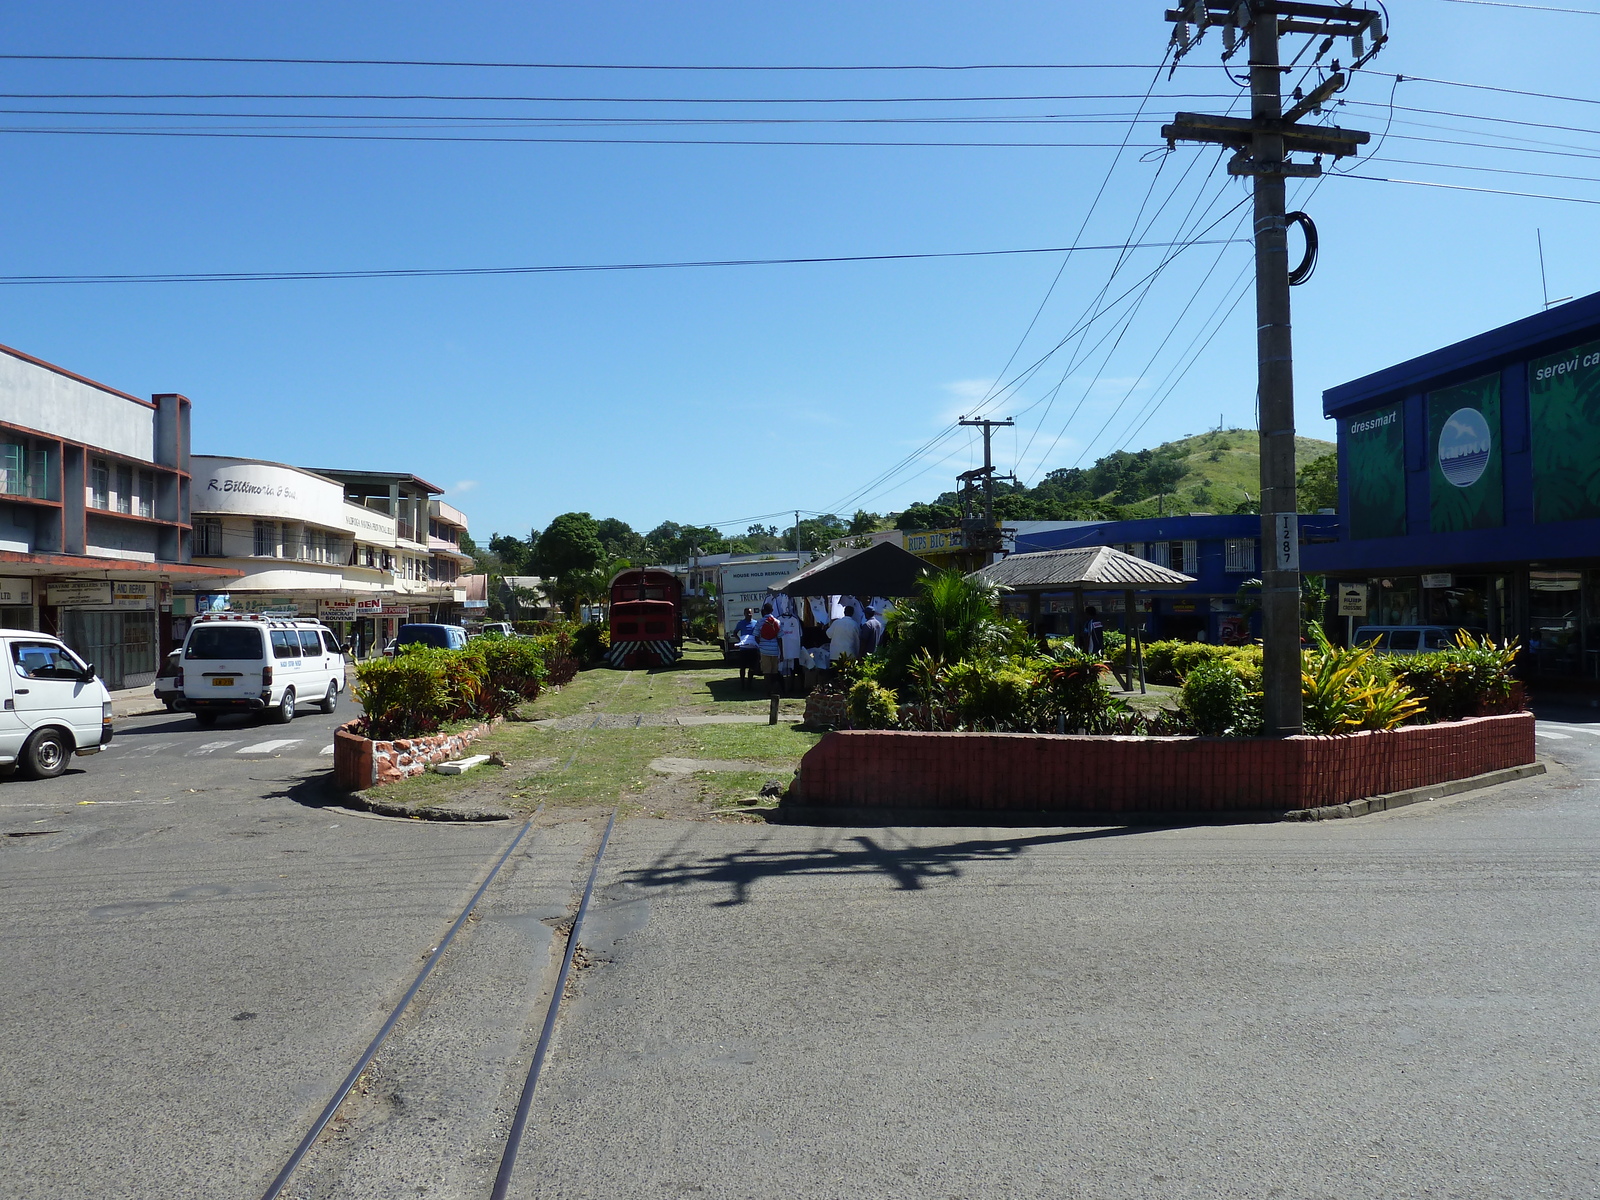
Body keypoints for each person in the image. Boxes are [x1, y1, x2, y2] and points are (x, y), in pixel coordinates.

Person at [756, 603, 783, 694]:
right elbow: (780, 638)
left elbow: (756, 636)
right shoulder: (777, 622)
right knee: (774, 672)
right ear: (772, 611)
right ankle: (775, 690)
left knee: (766, 672)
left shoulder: (760, 622)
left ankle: (768, 691)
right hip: (775, 650)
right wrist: (781, 652)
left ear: (764, 611)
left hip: (764, 650)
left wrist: (760, 645)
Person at [732, 607, 760, 690]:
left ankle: (749, 684)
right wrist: (741, 640)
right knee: (743, 667)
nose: (749, 614)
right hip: (744, 649)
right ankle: (742, 684)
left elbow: (758, 634)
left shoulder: (756, 623)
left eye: (750, 613)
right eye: (747, 613)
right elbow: (735, 633)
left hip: (752, 649)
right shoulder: (741, 623)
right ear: (744, 614)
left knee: (752, 667)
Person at [778, 608, 803, 693]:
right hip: (782, 650)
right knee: (781, 670)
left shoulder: (795, 620)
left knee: (792, 670)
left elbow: (800, 634)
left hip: (792, 650)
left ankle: (791, 688)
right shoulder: (778, 620)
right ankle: (783, 688)